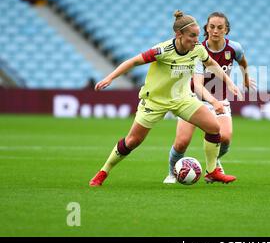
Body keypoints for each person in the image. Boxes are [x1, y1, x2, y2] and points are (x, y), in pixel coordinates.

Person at [89, 10, 242, 187]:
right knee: (133, 141)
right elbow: (133, 62)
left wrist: (229, 83)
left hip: (182, 98)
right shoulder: (163, 50)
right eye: (192, 36)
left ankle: (212, 171)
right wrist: (109, 78)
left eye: (198, 36)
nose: (196, 40)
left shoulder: (198, 49)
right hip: (155, 101)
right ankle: (103, 172)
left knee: (214, 127)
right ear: (179, 34)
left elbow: (211, 64)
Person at [163, 12, 254, 184]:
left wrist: (246, 80)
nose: (215, 30)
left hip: (220, 100)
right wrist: (213, 101)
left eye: (220, 27)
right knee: (182, 142)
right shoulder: (198, 49)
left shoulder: (234, 48)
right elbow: (198, 85)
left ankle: (212, 165)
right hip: (193, 99)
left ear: (226, 30)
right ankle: (171, 173)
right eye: (212, 27)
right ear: (206, 28)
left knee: (225, 138)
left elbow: (243, 62)